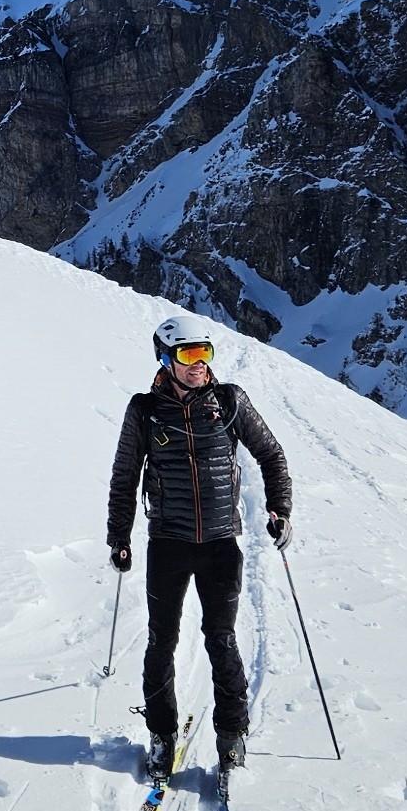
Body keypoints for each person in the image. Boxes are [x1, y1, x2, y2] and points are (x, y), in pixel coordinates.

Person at [106, 312, 292, 777]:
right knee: (161, 641)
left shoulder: (229, 401)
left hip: (220, 545)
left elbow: (271, 454)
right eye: (188, 355)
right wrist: (119, 537)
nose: (199, 364)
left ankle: (232, 738)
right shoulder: (144, 411)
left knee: (221, 640)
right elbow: (125, 477)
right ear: (166, 359)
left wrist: (279, 509)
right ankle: (161, 735)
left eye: (204, 353)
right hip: (168, 543)